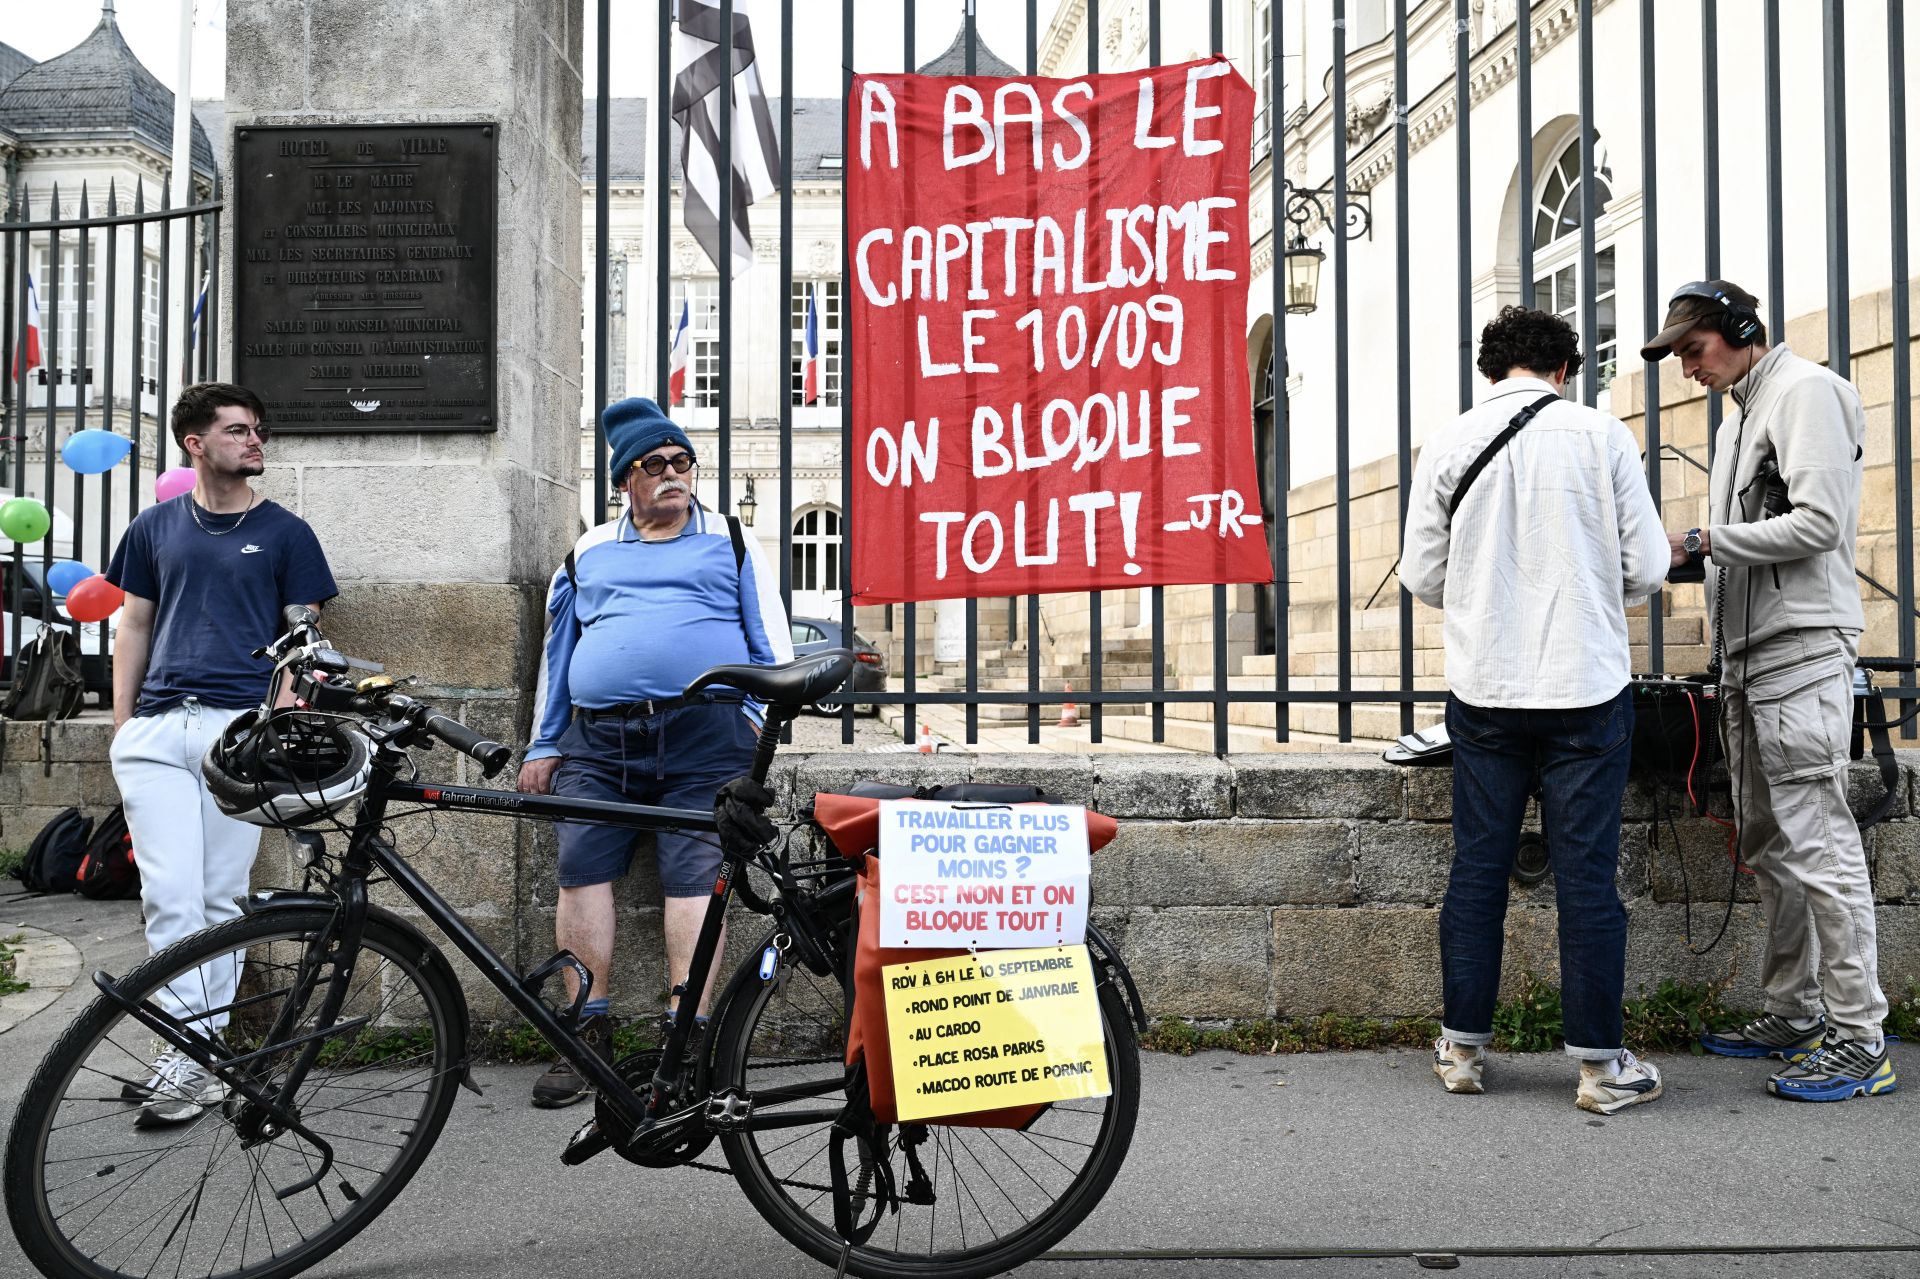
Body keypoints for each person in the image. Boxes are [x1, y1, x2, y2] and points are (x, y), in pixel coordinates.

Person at [1402, 306, 1669, 1114]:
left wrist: (1486, 593)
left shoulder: (1447, 442)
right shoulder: (1602, 435)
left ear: (1489, 370)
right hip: (1585, 685)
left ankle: (1462, 1048)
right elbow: (1649, 565)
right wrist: (1589, 590)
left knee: (1477, 869)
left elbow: (1422, 572)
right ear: (1564, 369)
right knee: (1588, 878)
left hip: (1485, 688)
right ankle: (1598, 1068)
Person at [1645, 279, 1894, 1102]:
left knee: (1820, 848)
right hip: (1750, 662)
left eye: (1693, 349)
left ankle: (1861, 1039)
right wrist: (1681, 557)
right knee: (1773, 844)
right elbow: (1750, 541)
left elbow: (1820, 523)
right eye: (1679, 354)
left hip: (1798, 656)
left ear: (1743, 329)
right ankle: (1797, 1011)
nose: (1686, 368)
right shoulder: (1740, 415)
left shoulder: (1807, 393)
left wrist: (1710, 538)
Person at [520, 396, 793, 1108]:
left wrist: (761, 722)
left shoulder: (732, 539)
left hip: (705, 735)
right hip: (599, 738)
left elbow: (771, 638)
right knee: (580, 872)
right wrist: (545, 742)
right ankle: (585, 1031)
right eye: (655, 464)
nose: (674, 474)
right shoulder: (588, 553)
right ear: (625, 481)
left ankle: (686, 1037)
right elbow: (558, 653)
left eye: (683, 461)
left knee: (696, 879)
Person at [105, 382, 338, 1126]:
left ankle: (196, 1060)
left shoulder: (286, 533)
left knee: (217, 898)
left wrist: (278, 721)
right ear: (195, 443)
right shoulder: (153, 528)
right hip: (154, 732)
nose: (256, 441)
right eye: (239, 430)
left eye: (259, 429)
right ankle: (191, 1051)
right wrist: (121, 727)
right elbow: (133, 625)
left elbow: (304, 638)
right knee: (167, 898)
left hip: (234, 730)